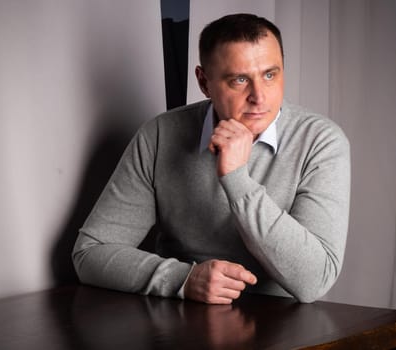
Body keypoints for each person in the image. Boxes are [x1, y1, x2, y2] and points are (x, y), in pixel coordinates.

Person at [72, 13, 350, 304]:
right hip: (181, 322)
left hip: (282, 327)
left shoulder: (321, 142)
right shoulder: (160, 134)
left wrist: (237, 179)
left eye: (270, 74)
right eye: (240, 80)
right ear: (204, 82)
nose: (259, 96)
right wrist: (184, 279)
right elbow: (90, 252)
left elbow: (315, 280)